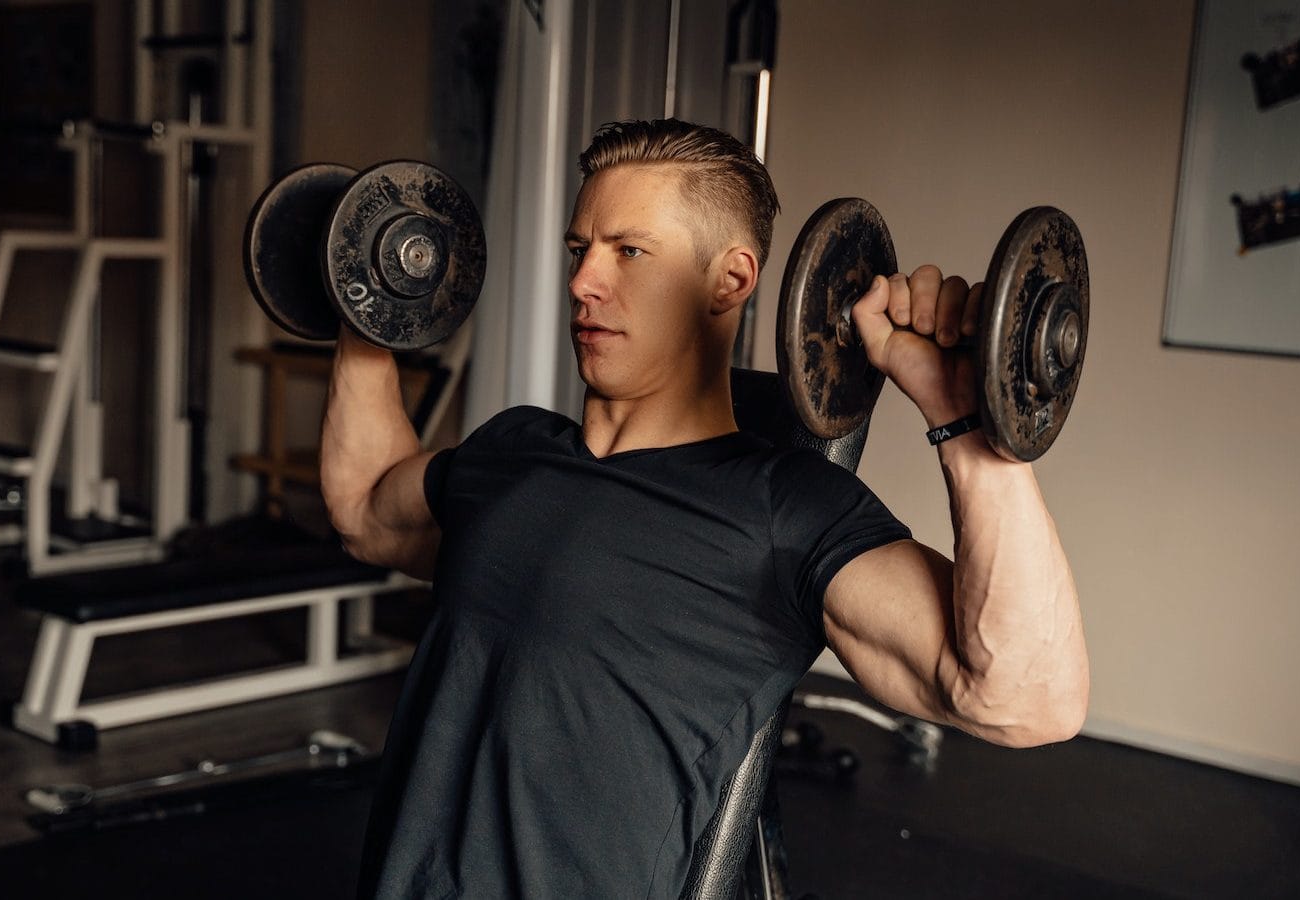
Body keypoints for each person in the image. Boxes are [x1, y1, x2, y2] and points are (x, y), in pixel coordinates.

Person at [322, 119, 1089, 898]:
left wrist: (964, 421)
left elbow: (1025, 700)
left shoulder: (781, 510)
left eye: (628, 251)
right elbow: (363, 508)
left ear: (730, 279)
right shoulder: (511, 449)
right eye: (578, 248)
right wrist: (366, 302)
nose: (585, 280)